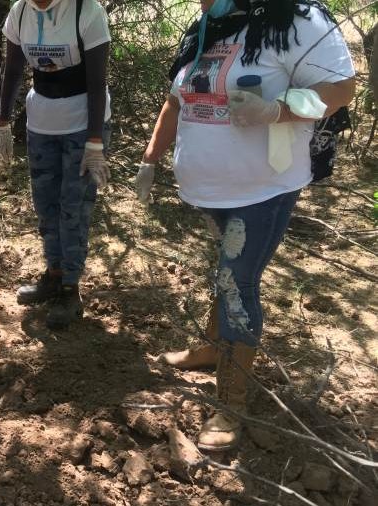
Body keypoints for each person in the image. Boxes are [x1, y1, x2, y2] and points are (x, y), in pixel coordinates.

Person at [136, 0, 354, 450]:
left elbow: (341, 89)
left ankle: (231, 402)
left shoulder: (294, 20)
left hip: (263, 188)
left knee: (237, 281)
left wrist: (278, 110)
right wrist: (150, 160)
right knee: (226, 271)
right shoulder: (210, 27)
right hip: (210, 191)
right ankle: (217, 346)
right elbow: (175, 103)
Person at [0, 0, 113, 330]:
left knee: (73, 206)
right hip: (42, 123)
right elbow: (14, 67)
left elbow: (97, 80)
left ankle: (69, 289)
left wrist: (94, 141)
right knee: (46, 204)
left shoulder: (86, 11)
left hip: (82, 124)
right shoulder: (20, 12)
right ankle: (54, 273)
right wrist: (3, 120)